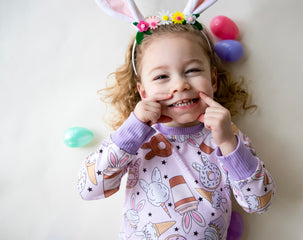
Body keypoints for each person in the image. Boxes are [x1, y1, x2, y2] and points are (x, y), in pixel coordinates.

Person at [78, 1, 275, 239]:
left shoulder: (225, 136)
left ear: (213, 79)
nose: (180, 85)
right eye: (162, 76)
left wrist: (229, 144)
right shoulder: (135, 139)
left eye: (192, 70)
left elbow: (260, 203)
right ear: (143, 92)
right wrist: (133, 130)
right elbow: (88, 189)